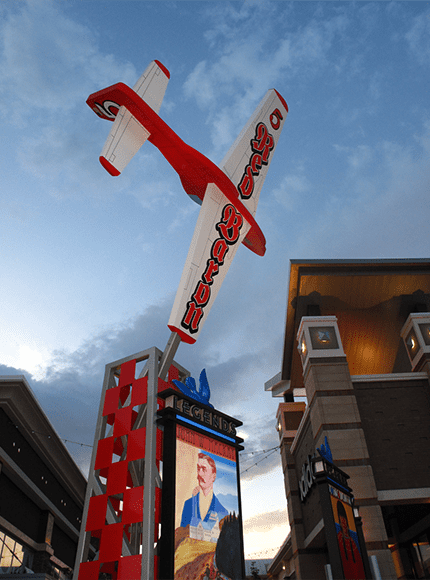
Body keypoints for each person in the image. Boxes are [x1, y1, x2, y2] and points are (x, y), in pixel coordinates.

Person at [180, 453, 228, 528]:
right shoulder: (188, 504)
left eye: (204, 469)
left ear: (213, 476)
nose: (199, 473)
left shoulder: (223, 512)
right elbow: (180, 535)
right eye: (198, 469)